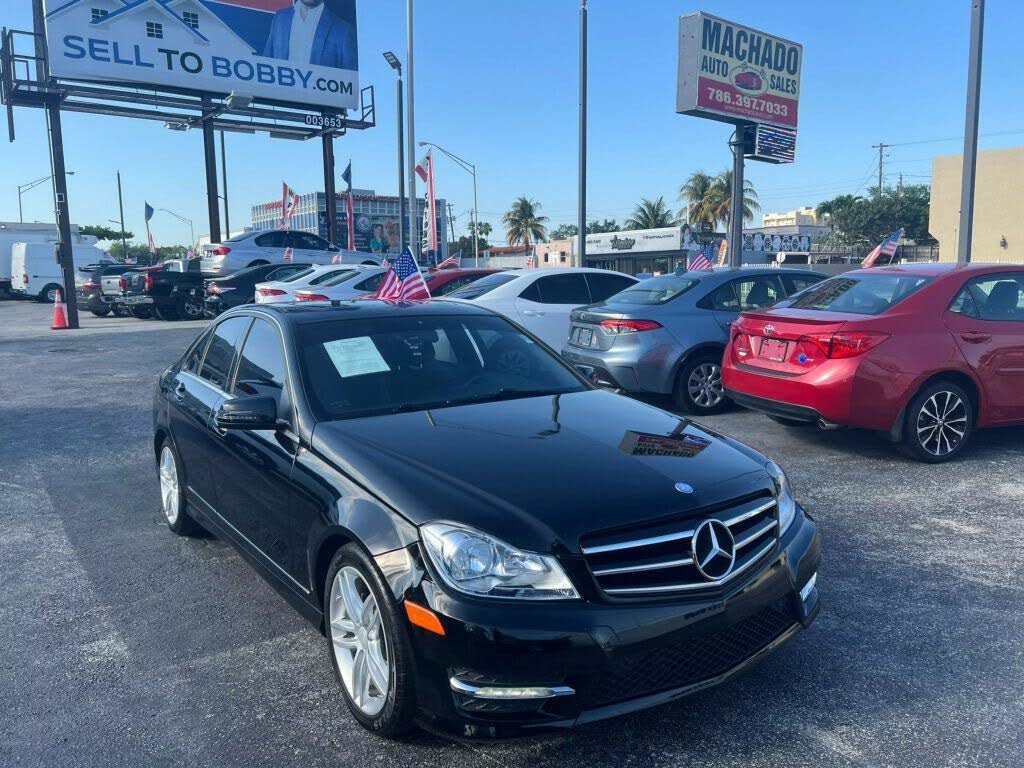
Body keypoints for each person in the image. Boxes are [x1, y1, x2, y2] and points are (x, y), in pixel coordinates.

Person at [262, 0, 358, 71]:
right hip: (280, 96)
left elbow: (350, 82)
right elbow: (266, 64)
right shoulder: (280, 18)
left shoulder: (343, 30)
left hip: (319, 98)